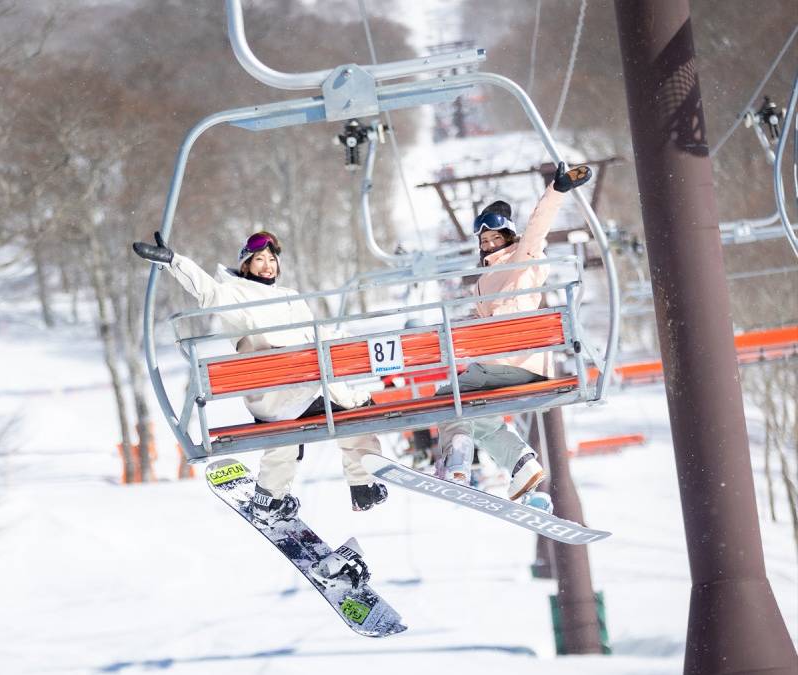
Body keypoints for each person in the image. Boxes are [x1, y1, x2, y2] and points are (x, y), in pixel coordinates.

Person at [132, 230, 388, 524]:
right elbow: (207, 290)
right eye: (259, 259)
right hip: (284, 388)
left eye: (271, 259)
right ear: (246, 265)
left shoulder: (290, 297)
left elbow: (320, 331)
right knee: (356, 413)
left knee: (287, 435)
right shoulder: (235, 293)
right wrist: (175, 261)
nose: (267, 265)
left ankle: (270, 496)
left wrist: (357, 342)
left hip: (293, 389)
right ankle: (363, 484)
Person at [434, 161, 592, 502]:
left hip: (511, 362)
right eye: (485, 240)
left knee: (449, 400)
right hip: (513, 365)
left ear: (509, 236)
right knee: (462, 403)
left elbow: (538, 226)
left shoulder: (525, 257)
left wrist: (556, 190)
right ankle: (520, 462)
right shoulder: (481, 283)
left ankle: (458, 456)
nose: (490, 244)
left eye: (496, 237)